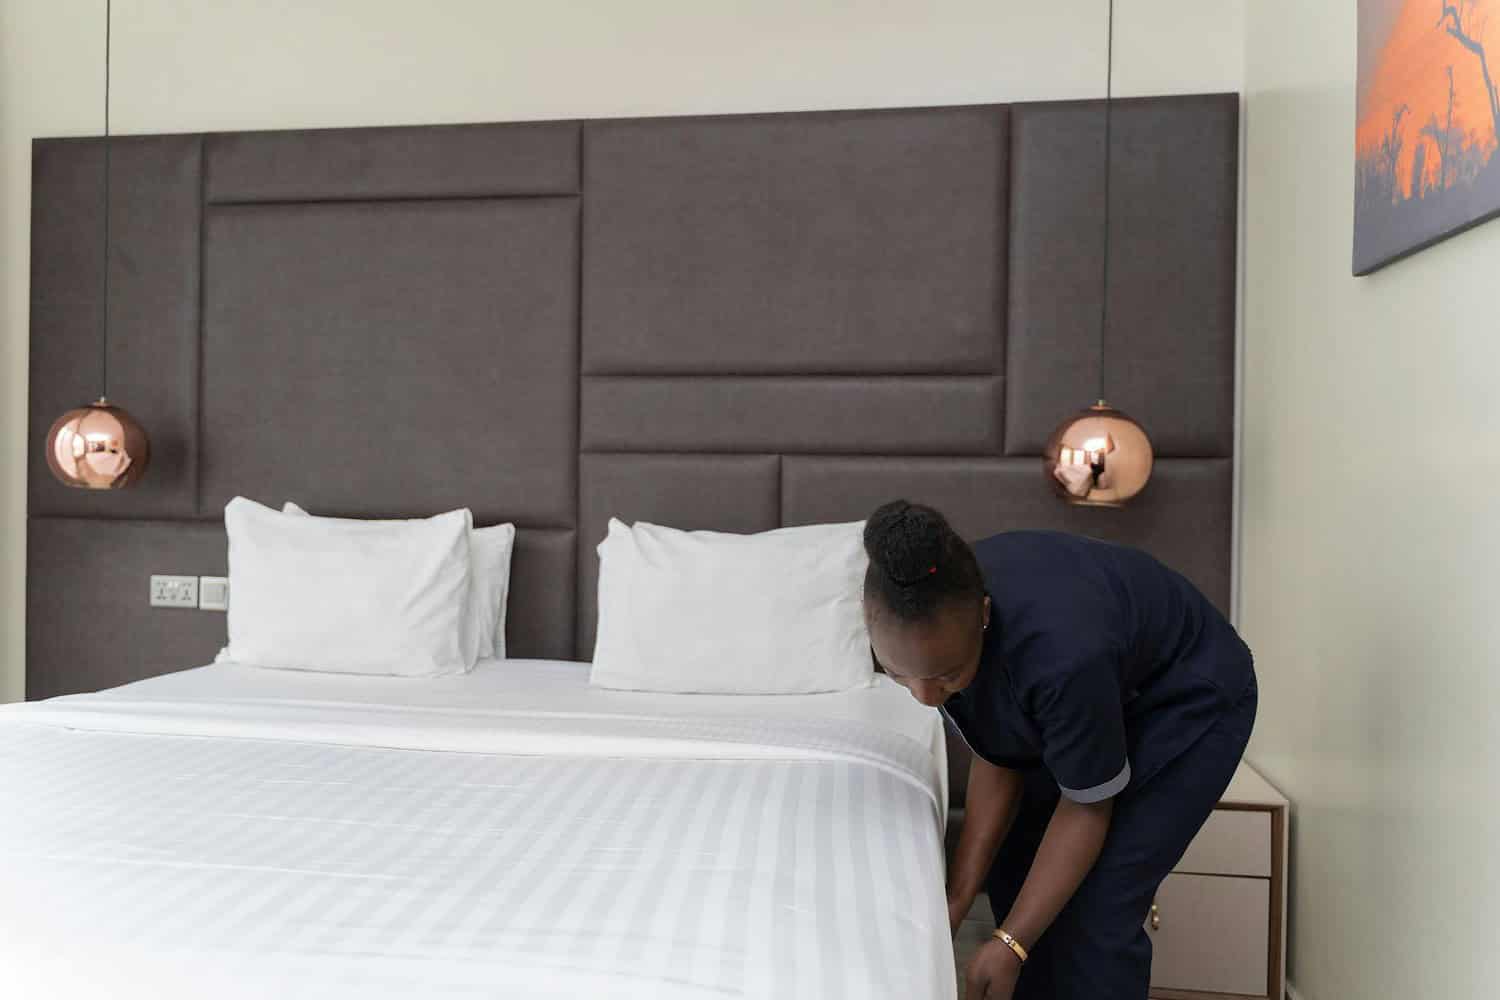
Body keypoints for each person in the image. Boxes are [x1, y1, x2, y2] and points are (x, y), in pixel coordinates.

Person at [860, 500, 1256, 1000]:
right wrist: (959, 896)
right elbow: (999, 752)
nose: (924, 696)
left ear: (984, 616)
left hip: (1188, 698)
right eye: (898, 674)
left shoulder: (1062, 656)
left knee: (1098, 908)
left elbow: (1087, 805)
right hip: (1095, 688)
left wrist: (1011, 942)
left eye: (946, 676)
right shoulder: (934, 607)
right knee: (1014, 874)